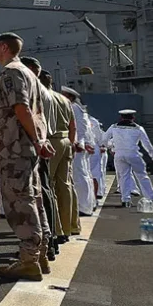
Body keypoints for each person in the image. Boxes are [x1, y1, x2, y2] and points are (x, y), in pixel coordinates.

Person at [0, 33, 53, 281]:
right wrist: (40, 140)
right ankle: (40, 255)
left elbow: (22, 108)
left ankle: (28, 259)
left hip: (15, 148)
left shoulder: (11, 73)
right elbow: (38, 112)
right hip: (27, 147)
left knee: (19, 202)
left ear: (4, 47)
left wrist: (37, 140)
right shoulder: (31, 75)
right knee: (34, 198)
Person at [20, 57, 59, 258]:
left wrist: (36, 142)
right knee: (45, 191)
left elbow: (31, 118)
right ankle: (50, 240)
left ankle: (46, 243)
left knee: (40, 195)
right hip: (44, 143)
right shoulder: (46, 91)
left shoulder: (35, 91)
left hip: (37, 146)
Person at [39, 72, 77, 239]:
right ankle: (71, 226)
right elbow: (72, 125)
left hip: (51, 141)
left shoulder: (42, 96)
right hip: (66, 140)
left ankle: (58, 230)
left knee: (49, 186)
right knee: (66, 185)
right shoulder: (64, 99)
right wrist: (71, 143)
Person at [102, 109, 153, 207]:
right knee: (142, 176)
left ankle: (125, 200)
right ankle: (150, 198)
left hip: (119, 154)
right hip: (133, 154)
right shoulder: (138, 129)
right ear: (133, 117)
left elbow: (104, 139)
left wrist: (111, 147)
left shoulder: (114, 127)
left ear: (121, 117)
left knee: (124, 177)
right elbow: (147, 144)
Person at [60, 86, 97, 217]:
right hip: (83, 145)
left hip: (78, 146)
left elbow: (79, 128)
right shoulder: (80, 109)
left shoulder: (73, 108)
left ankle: (83, 207)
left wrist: (79, 143)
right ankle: (89, 204)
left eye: (63, 94)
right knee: (85, 175)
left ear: (69, 97)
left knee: (79, 176)